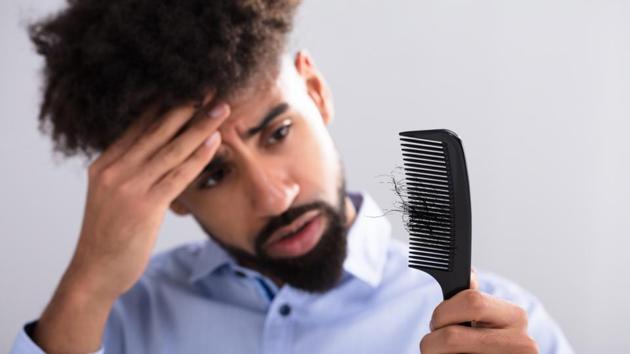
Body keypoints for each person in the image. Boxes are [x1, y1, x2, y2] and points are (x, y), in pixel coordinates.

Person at [11, 0, 574, 353]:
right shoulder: (112, 325)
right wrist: (88, 284)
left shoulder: (497, 328)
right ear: (173, 197)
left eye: (277, 133)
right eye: (212, 175)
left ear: (317, 90)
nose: (273, 195)